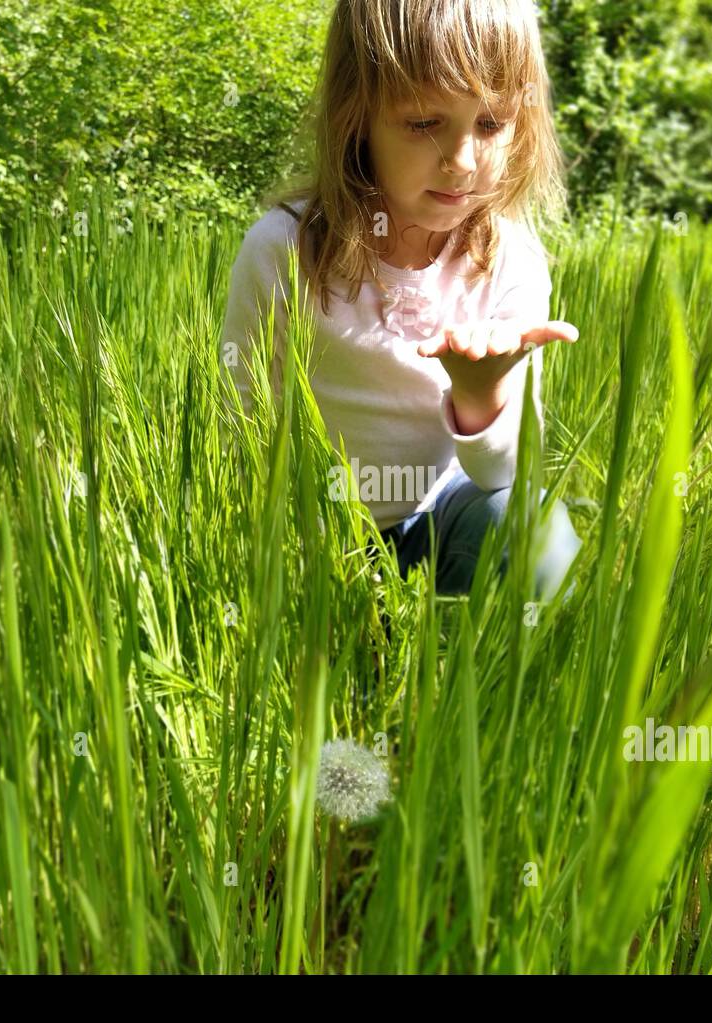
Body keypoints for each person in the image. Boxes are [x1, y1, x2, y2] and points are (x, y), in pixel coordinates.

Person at [220, 0, 582, 602]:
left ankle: (472, 684)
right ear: (355, 114)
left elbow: (507, 480)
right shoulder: (283, 250)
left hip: (444, 518)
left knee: (540, 536)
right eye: (422, 123)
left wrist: (481, 394)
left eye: (491, 124)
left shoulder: (509, 260)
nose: (462, 162)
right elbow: (242, 419)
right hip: (317, 532)